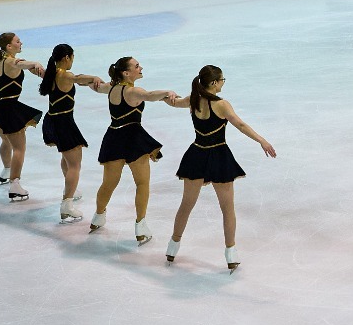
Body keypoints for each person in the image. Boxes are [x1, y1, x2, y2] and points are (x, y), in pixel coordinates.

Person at [167, 65, 277, 272]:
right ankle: (231, 252)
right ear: (215, 83)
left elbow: (172, 102)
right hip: (218, 156)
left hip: (197, 154)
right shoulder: (222, 105)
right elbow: (241, 125)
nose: (223, 83)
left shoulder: (193, 99)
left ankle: (172, 247)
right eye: (222, 80)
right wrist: (262, 140)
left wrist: (167, 94)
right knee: (227, 209)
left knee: (186, 205)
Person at [92, 55, 183, 245]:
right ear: (126, 72)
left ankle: (98, 217)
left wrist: (91, 80)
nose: (140, 68)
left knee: (108, 184)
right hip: (133, 139)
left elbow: (97, 87)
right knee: (142, 183)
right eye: (136, 66)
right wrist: (168, 92)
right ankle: (140, 227)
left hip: (114, 137)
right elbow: (150, 96)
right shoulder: (132, 91)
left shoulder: (112, 88)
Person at [38, 44, 108, 224]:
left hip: (52, 120)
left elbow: (77, 81)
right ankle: (66, 204)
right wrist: (94, 77)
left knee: (67, 159)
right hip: (63, 122)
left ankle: (70, 191)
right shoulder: (64, 74)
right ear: (67, 58)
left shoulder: (51, 73)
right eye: (73, 57)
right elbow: (77, 78)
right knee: (75, 164)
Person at [0, 32, 46, 202]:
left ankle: (6, 170)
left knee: (6, 141)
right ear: (9, 46)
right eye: (17, 41)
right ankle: (15, 185)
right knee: (19, 148)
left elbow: (25, 66)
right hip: (8, 109)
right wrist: (36, 62)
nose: (21, 43)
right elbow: (23, 64)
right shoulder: (12, 61)